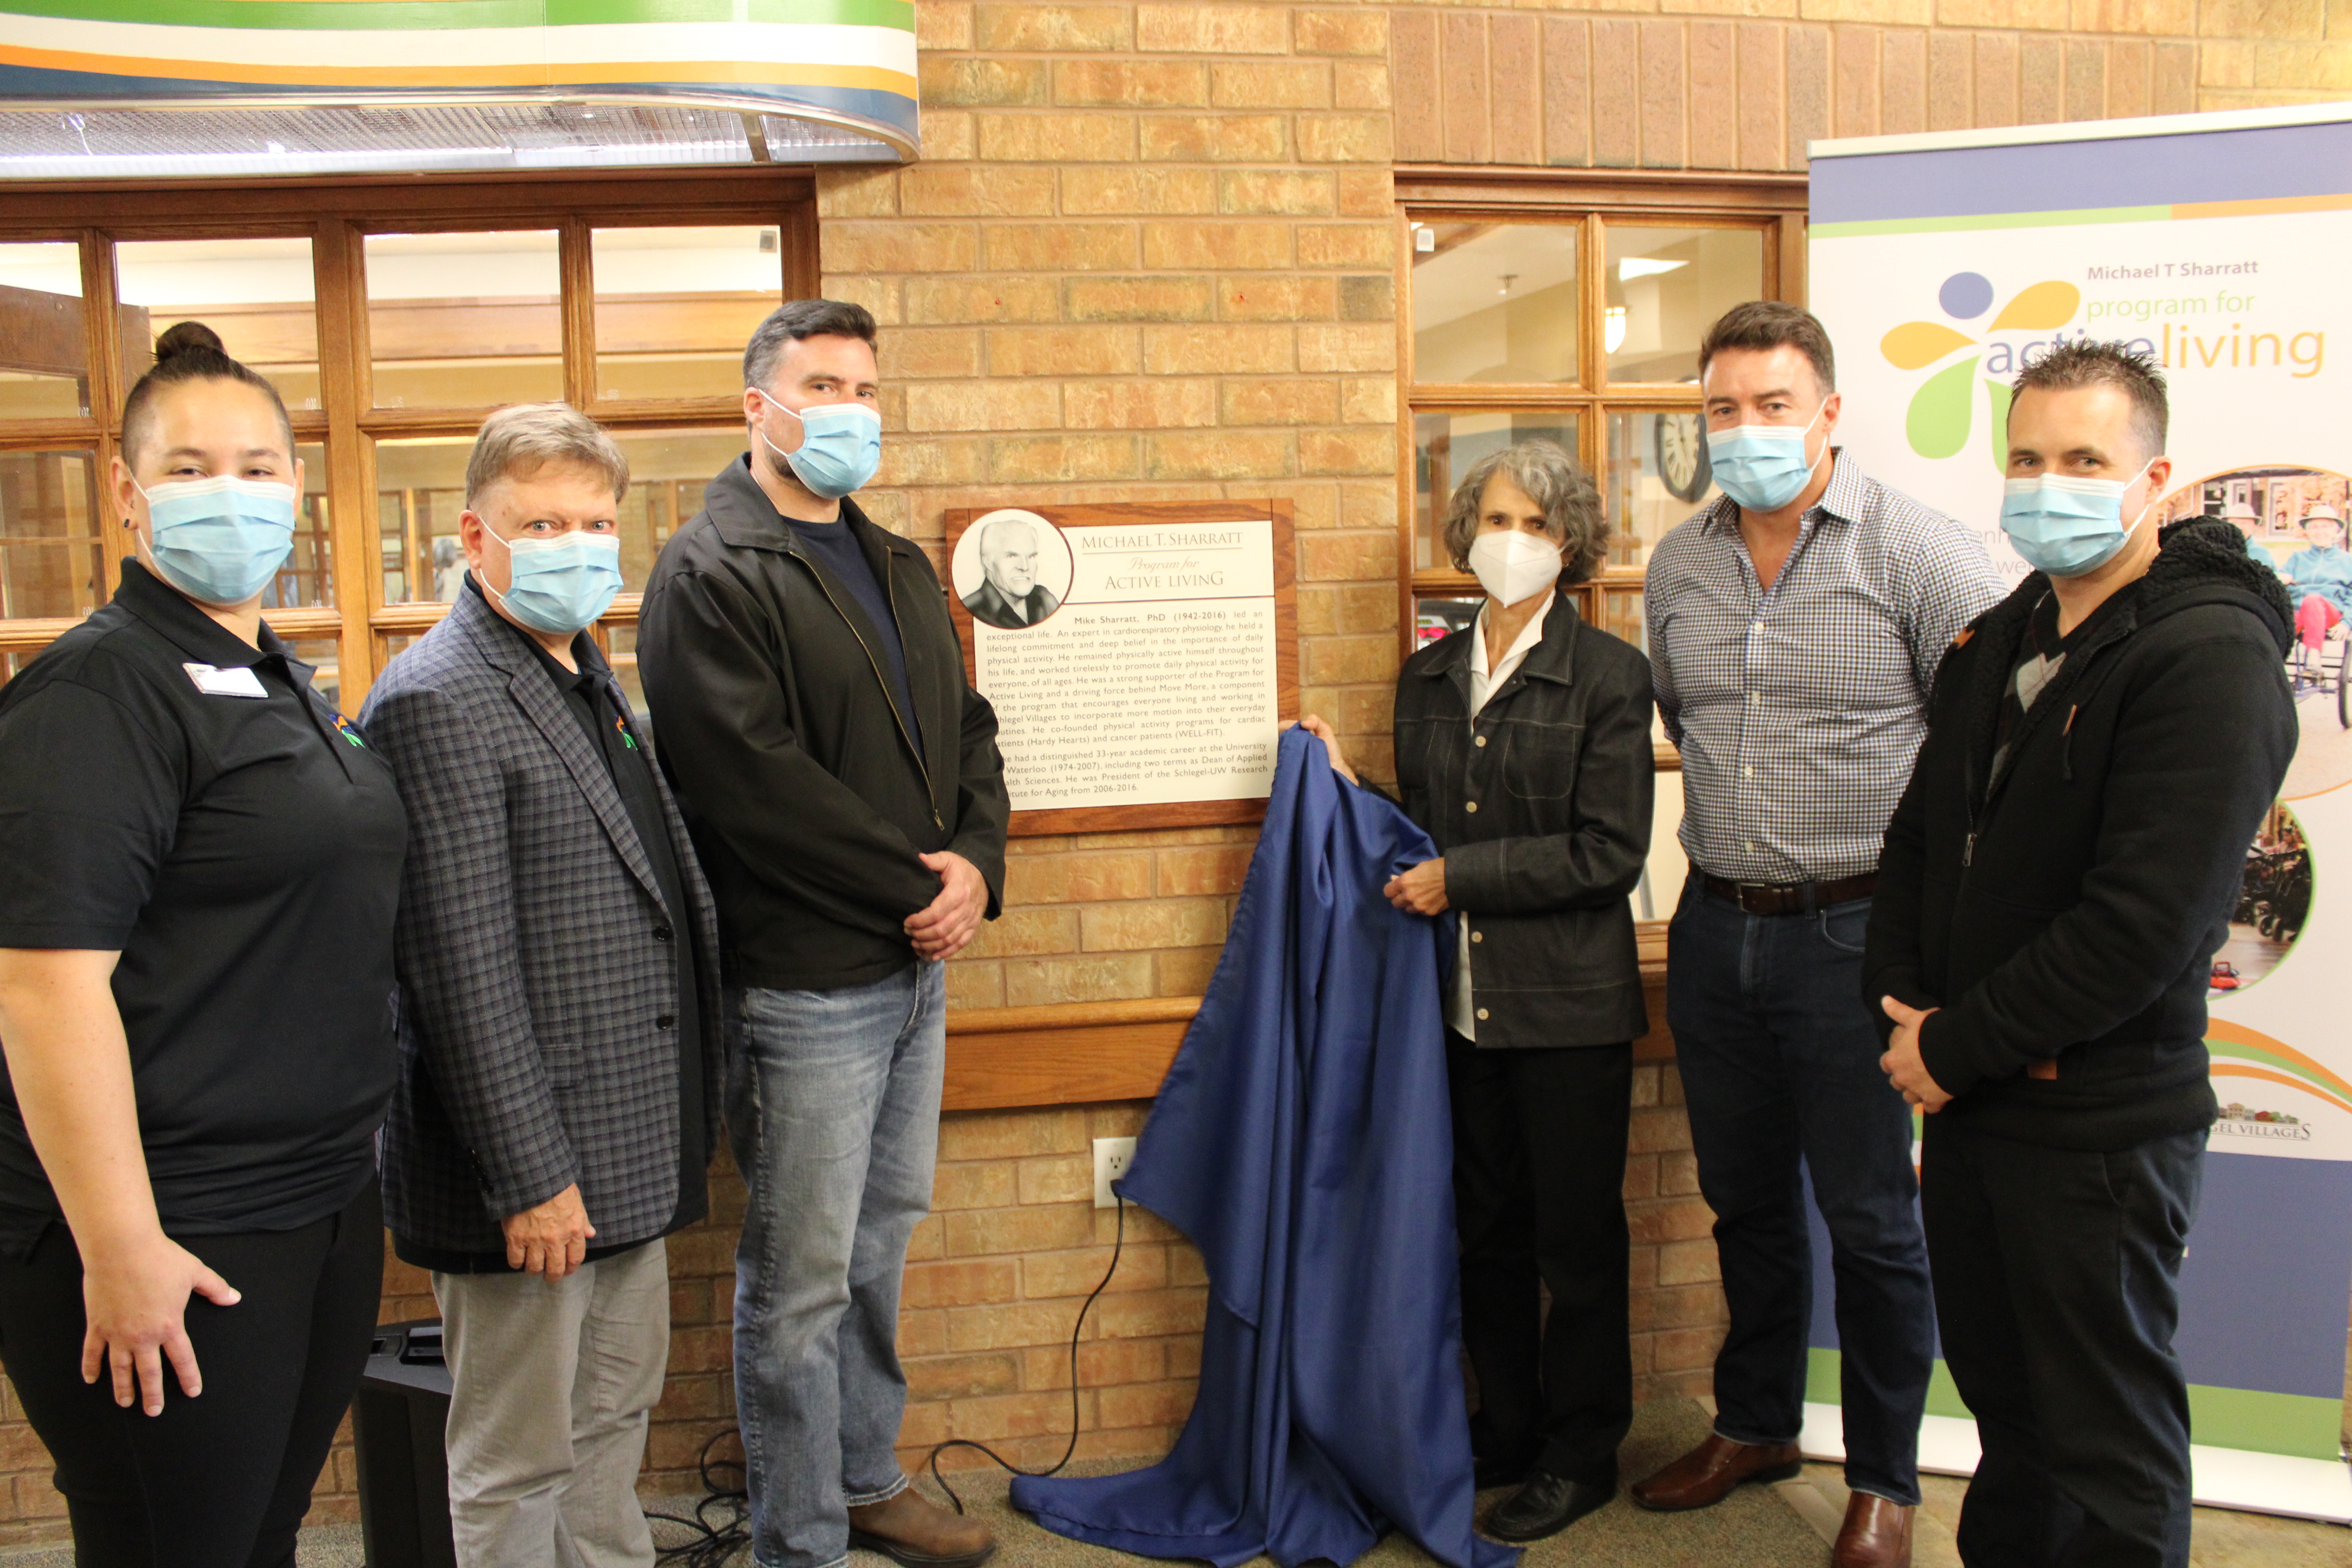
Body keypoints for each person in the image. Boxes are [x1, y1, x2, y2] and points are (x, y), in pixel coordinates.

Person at [1866, 344, 2297, 1568]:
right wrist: (1894, 996)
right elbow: (1920, 832)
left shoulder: (2209, 659)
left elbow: (2145, 924)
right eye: (2028, 457)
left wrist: (1950, 1042)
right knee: (2012, 1422)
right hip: (1975, 1110)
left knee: (2104, 1445)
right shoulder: (2001, 635)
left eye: (2084, 461)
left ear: (2154, 477)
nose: (2048, 483)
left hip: (2099, 1125)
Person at [0, 322, 407, 1564]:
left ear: (296, 487)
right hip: (176, 1222)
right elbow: (41, 987)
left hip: (318, 1197)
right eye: (186, 467)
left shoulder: (275, 673)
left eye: (256, 464)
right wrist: (120, 1247)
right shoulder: (97, 692)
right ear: (127, 494)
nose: (227, 492)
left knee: (257, 1535)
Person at [638, 300, 1011, 1568]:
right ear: (759, 406)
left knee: (879, 1240)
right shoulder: (710, 571)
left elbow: (972, 734)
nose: (848, 407)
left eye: (863, 384)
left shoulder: (899, 562)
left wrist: (977, 864)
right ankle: (798, 1537)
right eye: (821, 384)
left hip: (915, 972)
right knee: (797, 1277)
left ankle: (862, 1476)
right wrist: (919, 882)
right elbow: (751, 781)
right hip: (804, 983)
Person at [1636, 302, 2002, 1568]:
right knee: (1744, 1201)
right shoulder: (1679, 566)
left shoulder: (1917, 551)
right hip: (1716, 928)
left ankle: (1888, 1480)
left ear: (1831, 411)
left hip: (1857, 937)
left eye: (1772, 405)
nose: (1746, 430)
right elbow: (1683, 711)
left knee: (1870, 1216)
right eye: (1722, 409)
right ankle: (1756, 1423)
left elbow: (2012, 713)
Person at [359, 404, 723, 1567]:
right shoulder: (439, 695)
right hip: (531, 1176)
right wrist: (531, 1178)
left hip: (626, 1142)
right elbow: (459, 965)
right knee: (519, 1462)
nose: (578, 542)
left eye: (597, 520)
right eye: (543, 521)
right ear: (475, 535)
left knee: (610, 1426)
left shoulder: (581, 669)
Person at [1302, 439, 1655, 1544]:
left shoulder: (1607, 675)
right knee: (1484, 1231)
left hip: (1566, 1010)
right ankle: (1507, 1427)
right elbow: (1420, 831)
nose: (1512, 542)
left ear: (1571, 547)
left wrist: (1462, 878)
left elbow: (1607, 851)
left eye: (1538, 527)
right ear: (1464, 534)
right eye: (1496, 519)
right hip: (1452, 1010)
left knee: (1575, 1244)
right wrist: (1339, 786)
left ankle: (1581, 1448)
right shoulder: (1424, 674)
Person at [961, 514, 1061, 629]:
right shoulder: (970, 609)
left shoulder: (1045, 599)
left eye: (1031, 557)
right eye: (1012, 556)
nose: (1024, 567)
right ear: (987, 562)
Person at [2279, 504, 2352, 655]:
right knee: (2276, 629)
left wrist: (2348, 623)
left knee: (2312, 600)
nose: (2320, 532)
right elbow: (2277, 582)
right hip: (2298, 611)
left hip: (2331, 612)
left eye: (2325, 527)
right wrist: (2279, 578)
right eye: (2314, 527)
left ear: (2336, 530)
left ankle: (2314, 658)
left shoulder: (2347, 561)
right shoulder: (2297, 558)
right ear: (2308, 531)